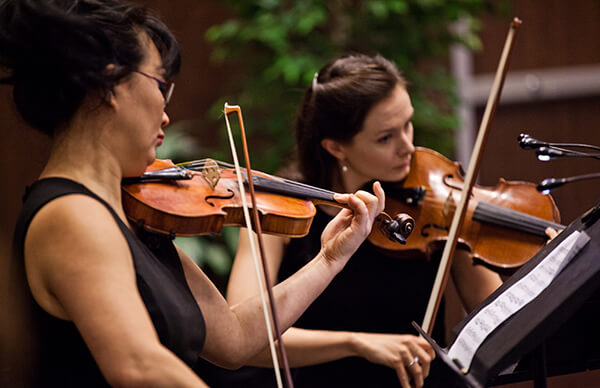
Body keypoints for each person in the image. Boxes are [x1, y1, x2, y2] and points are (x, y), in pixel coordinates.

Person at [0, 1, 386, 387]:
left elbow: (234, 339)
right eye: (160, 85)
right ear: (109, 86)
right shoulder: (70, 215)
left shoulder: (129, 216)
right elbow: (139, 366)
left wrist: (329, 259)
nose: (166, 113)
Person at [223, 53, 505, 388]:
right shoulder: (279, 213)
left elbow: (497, 321)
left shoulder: (436, 207)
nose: (409, 147)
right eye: (386, 138)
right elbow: (241, 338)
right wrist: (355, 343)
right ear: (336, 147)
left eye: (408, 124)